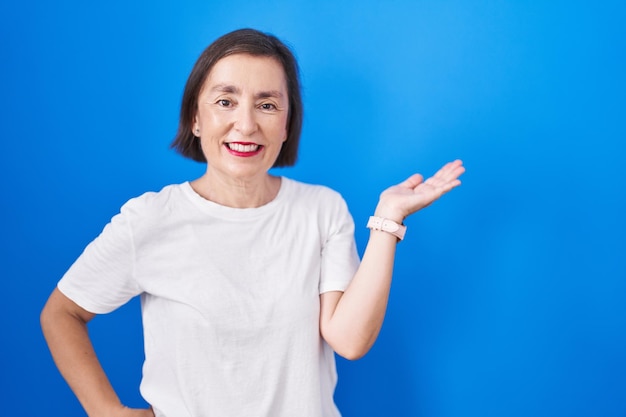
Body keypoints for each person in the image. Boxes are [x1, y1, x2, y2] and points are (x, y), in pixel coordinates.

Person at [40, 28, 465, 417]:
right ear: (195, 118)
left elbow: (349, 339)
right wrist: (104, 409)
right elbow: (62, 313)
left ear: (286, 124)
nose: (246, 124)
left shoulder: (322, 209)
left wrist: (387, 221)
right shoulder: (151, 218)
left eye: (266, 105)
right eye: (225, 101)